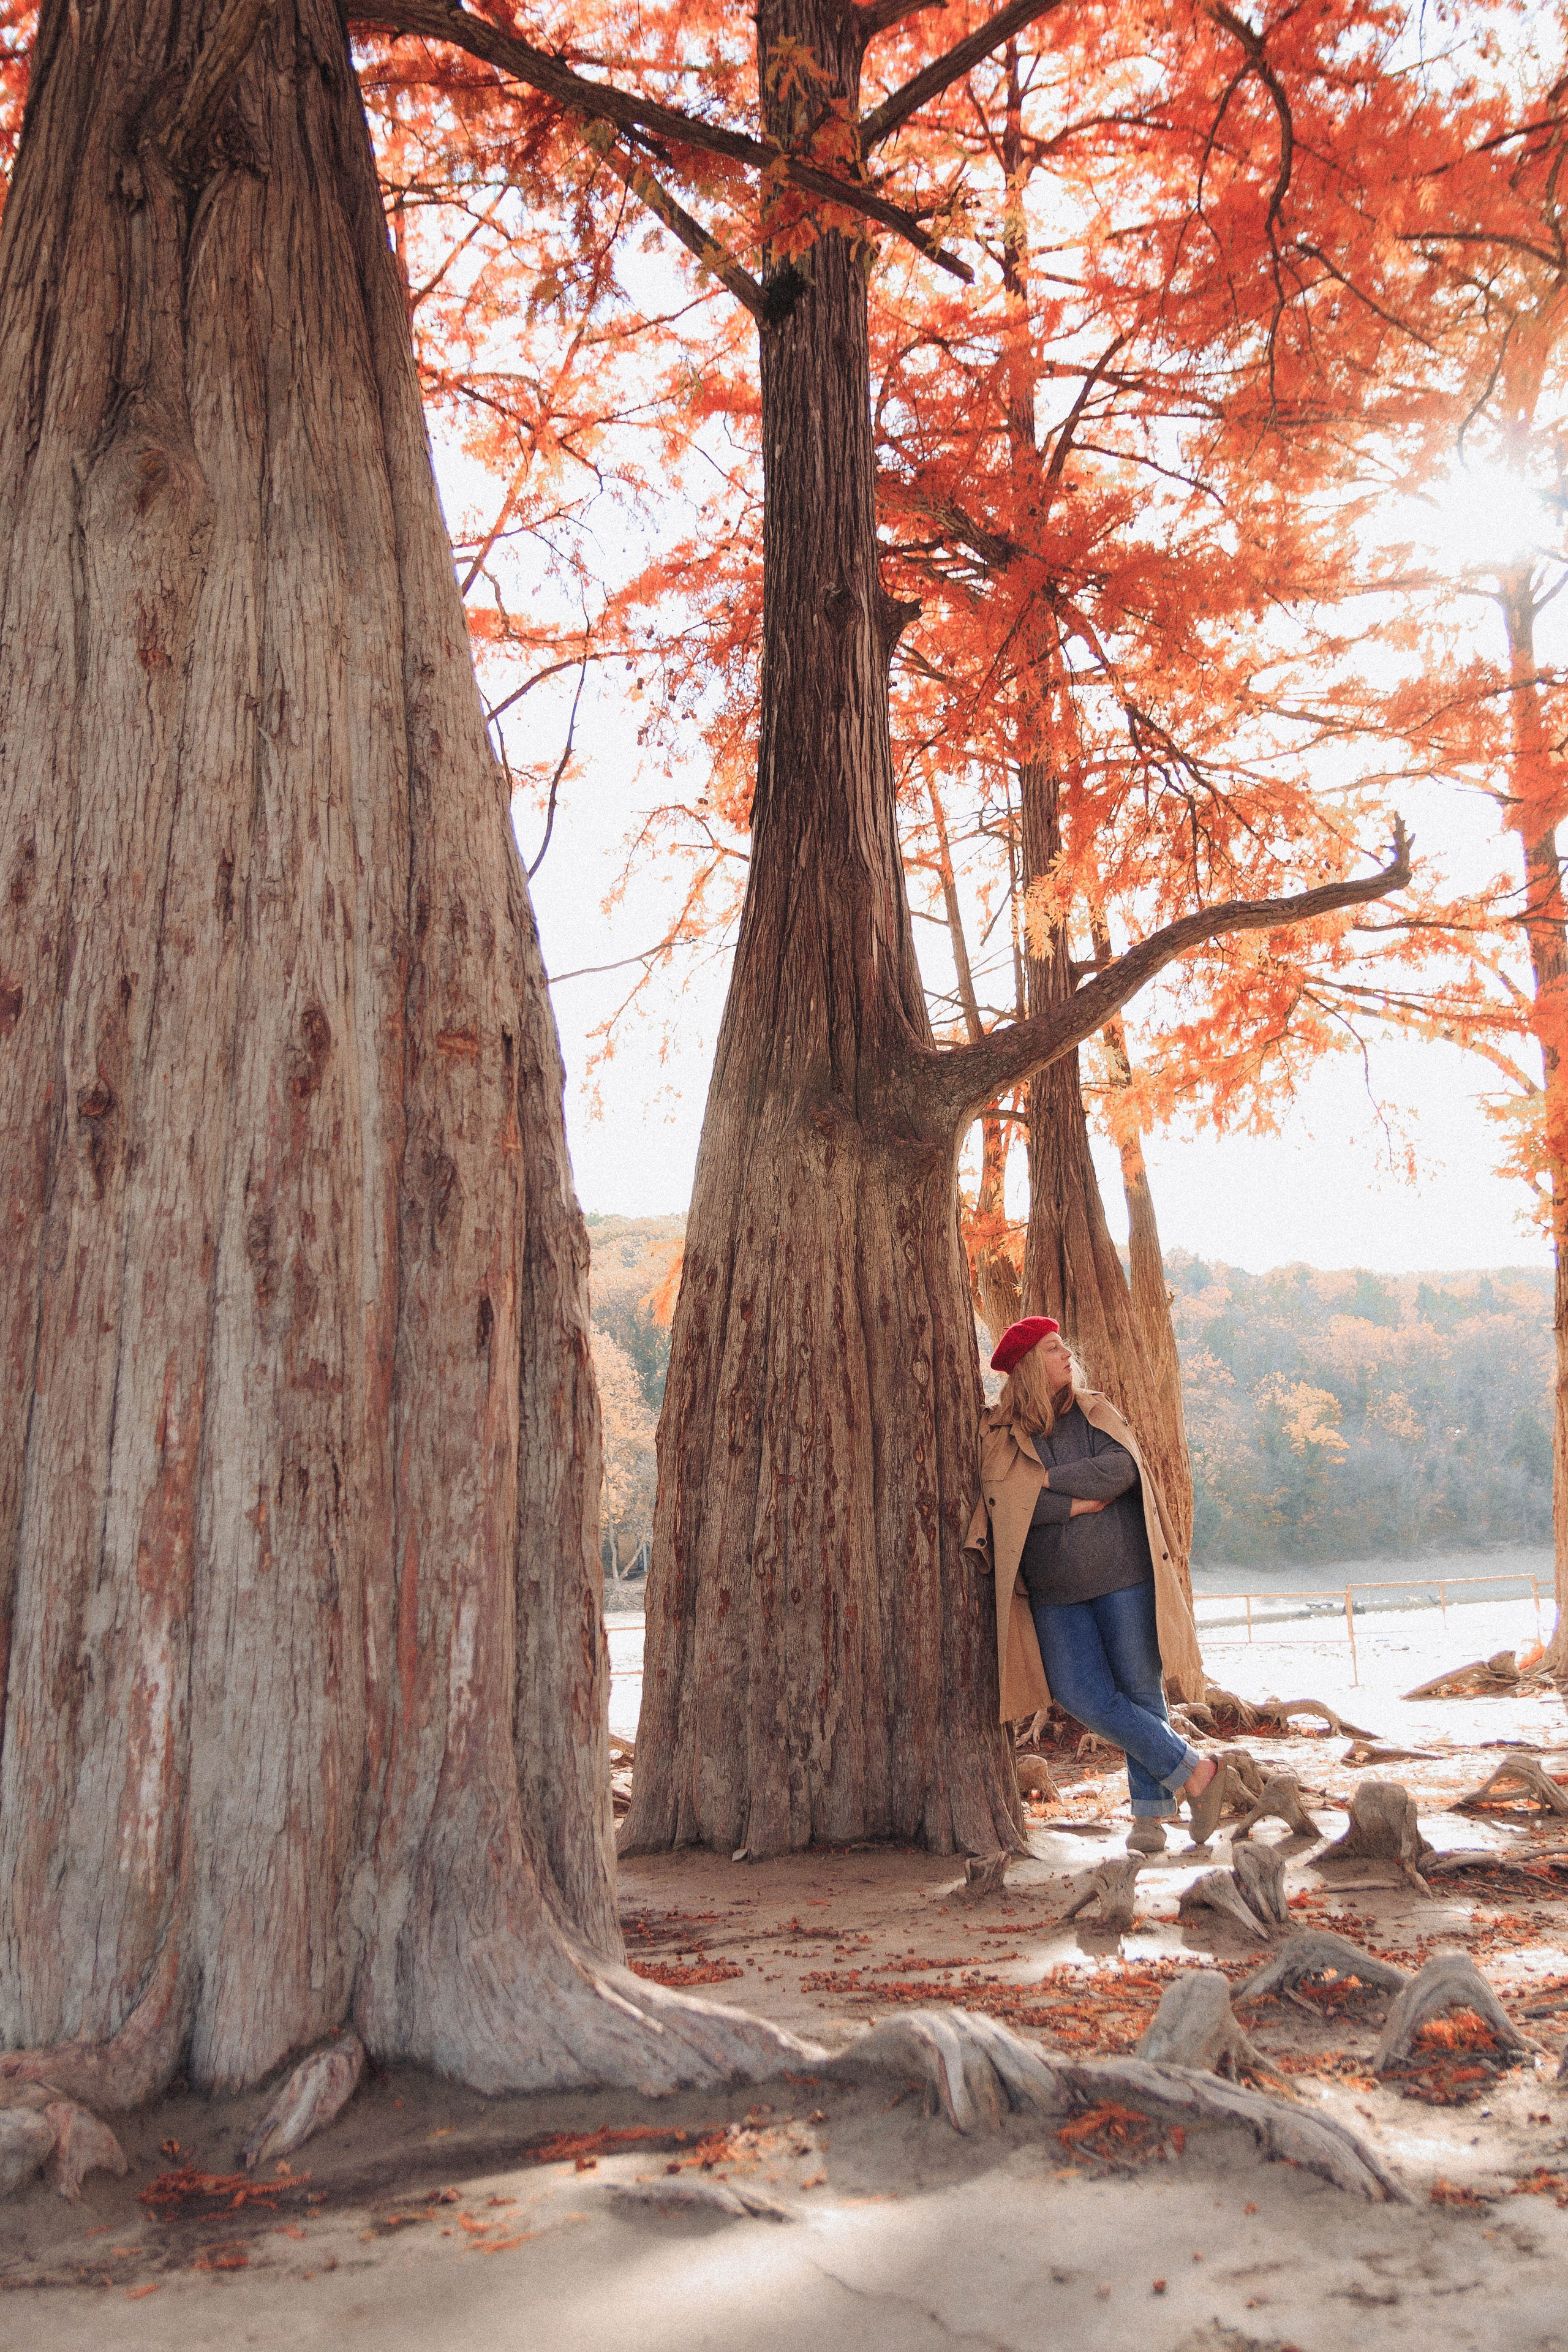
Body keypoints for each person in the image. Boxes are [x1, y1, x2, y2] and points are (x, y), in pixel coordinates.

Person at [963, 1314, 1223, 1854]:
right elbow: (1006, 1503)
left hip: (1124, 1575)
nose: (1067, 1356)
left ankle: (1150, 1817)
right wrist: (1075, 1505)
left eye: (1064, 1347)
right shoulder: (1001, 1433)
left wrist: (1043, 1481)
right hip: (1053, 1591)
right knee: (1079, 1692)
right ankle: (1197, 1771)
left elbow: (1122, 1471)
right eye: (1053, 1349)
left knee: (1139, 1689)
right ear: (1028, 1364)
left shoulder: (1093, 1411)